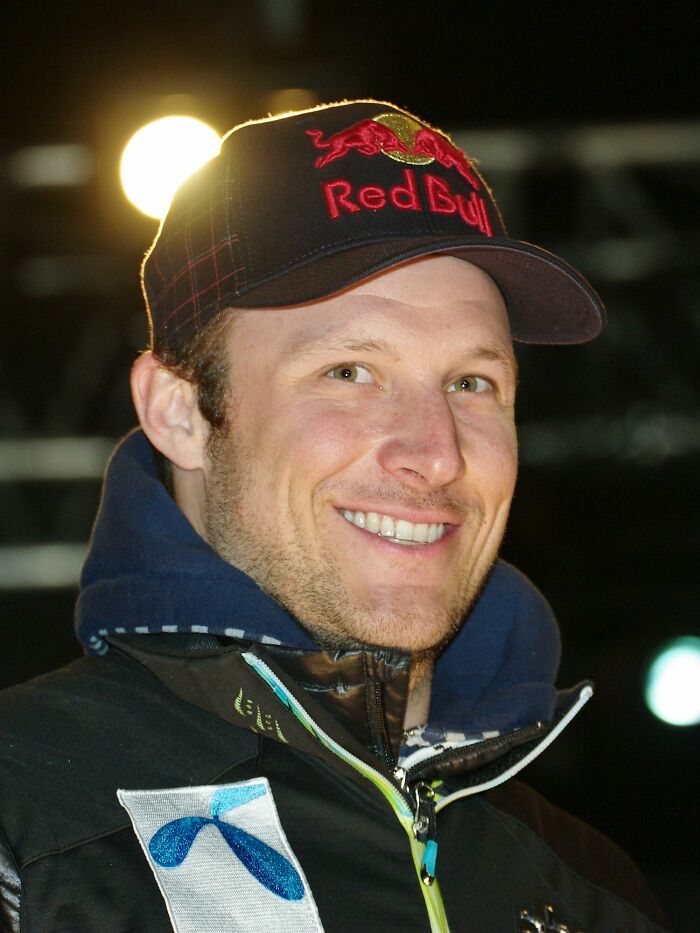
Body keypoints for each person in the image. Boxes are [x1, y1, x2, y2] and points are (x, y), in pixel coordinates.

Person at [0, 99, 669, 932]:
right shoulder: (26, 826)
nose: (437, 454)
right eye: (349, 371)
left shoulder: (594, 886)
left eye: (472, 384)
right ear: (181, 413)